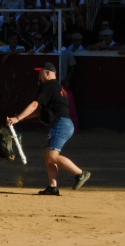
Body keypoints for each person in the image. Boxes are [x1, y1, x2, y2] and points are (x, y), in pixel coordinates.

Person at [6, 62, 90, 196]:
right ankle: (52, 187)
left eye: (41, 73)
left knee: (51, 155)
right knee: (48, 155)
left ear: (48, 73)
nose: (39, 76)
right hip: (64, 124)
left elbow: (34, 105)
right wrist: (19, 118)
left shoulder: (49, 85)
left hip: (61, 124)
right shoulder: (57, 87)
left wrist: (17, 118)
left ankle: (80, 173)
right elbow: (39, 111)